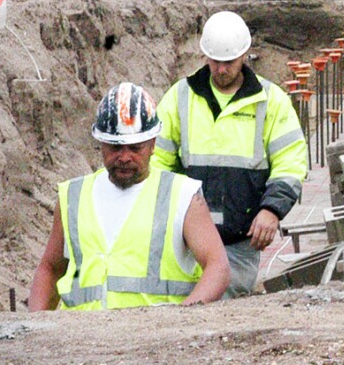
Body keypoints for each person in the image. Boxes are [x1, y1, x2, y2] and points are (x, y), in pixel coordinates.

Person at [28, 83, 229, 310]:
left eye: (135, 148)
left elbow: (217, 267)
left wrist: (181, 319)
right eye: (115, 147)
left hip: (153, 338)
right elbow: (50, 269)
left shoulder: (182, 195)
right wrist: (34, 325)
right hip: (81, 340)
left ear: (153, 144)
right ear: (101, 144)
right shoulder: (72, 196)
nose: (124, 157)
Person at [153, 11, 308, 296]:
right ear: (204, 56)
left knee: (226, 316)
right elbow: (158, 161)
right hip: (185, 240)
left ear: (245, 56)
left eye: (229, 62)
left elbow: (291, 161)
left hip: (239, 243)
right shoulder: (180, 97)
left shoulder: (270, 101)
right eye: (214, 61)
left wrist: (271, 209)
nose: (221, 70)